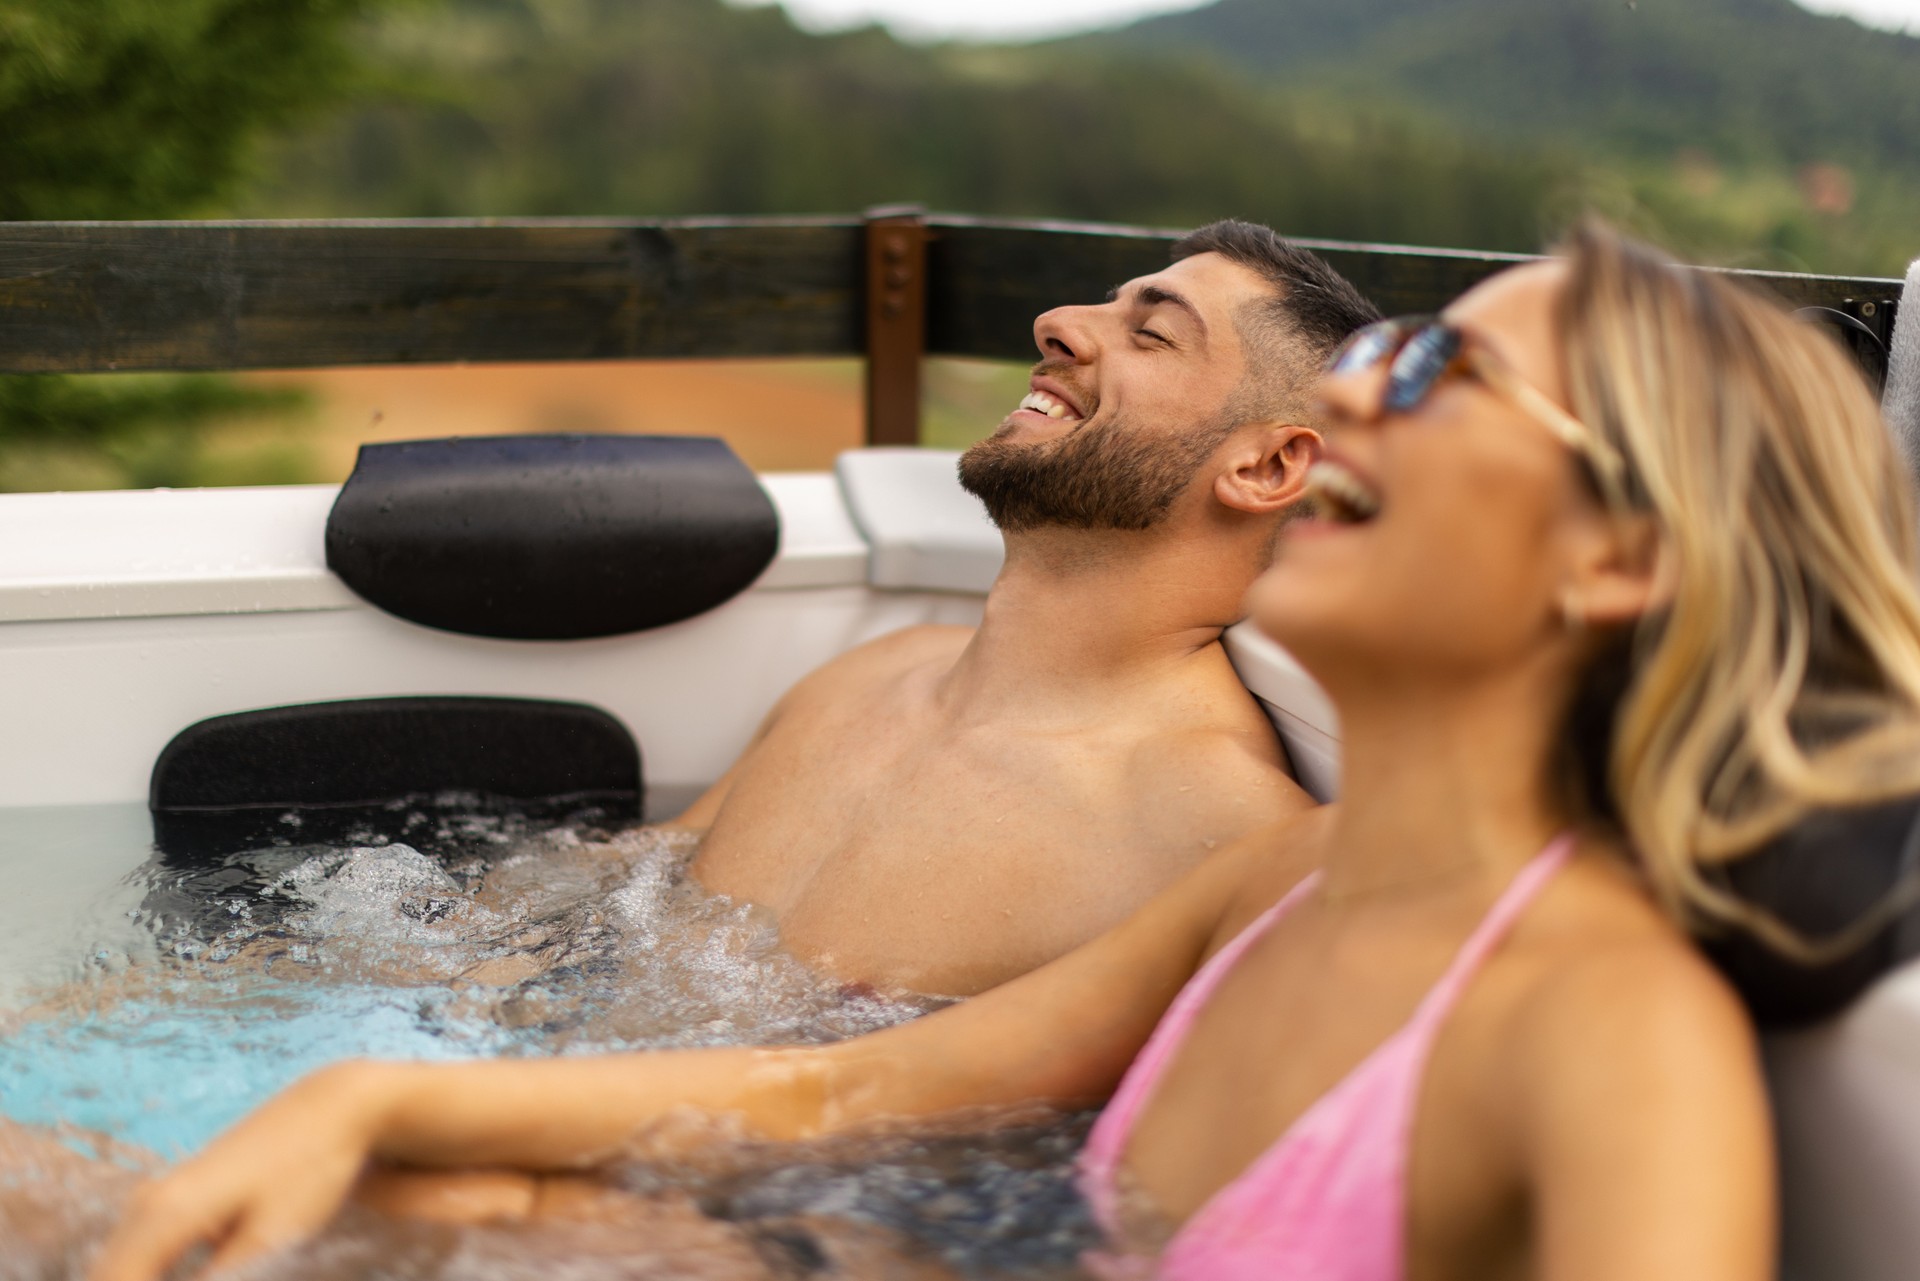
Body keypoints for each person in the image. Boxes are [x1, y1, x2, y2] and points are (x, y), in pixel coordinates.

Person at [93, 217, 1920, 1280]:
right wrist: (361, 1088)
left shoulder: (1609, 1035)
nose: (1365, 381)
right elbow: (835, 1098)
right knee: (278, 1195)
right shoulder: (1287, 880)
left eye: (1441, 373)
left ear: (1620, 549)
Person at [672, 220, 1380, 996]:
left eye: (1152, 334)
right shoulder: (870, 674)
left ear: (1268, 464)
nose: (1056, 323)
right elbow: (603, 887)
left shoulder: (1220, 836)